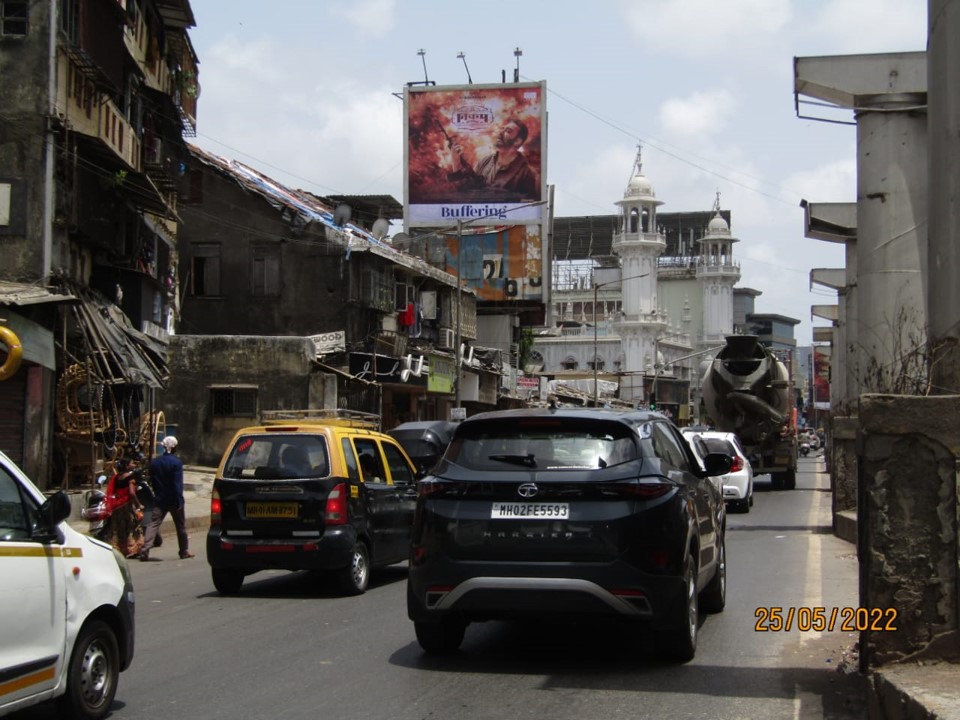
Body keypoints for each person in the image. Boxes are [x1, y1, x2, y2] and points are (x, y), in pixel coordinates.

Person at [446, 117, 539, 199]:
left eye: (508, 131)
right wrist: (456, 161)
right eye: (502, 129)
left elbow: (527, 208)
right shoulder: (485, 162)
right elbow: (465, 191)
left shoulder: (526, 173)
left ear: (517, 141)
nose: (500, 132)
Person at [140, 436, 194, 560]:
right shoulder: (176, 463)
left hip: (160, 499)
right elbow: (177, 484)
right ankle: (183, 551)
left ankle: (145, 549)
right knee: (180, 527)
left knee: (153, 524)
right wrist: (180, 501)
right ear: (174, 448)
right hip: (174, 500)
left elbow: (153, 481)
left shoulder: (155, 463)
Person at [104, 456, 145, 559]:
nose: (134, 465)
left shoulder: (117, 477)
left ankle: (118, 549)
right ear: (127, 466)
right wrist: (139, 504)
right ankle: (132, 549)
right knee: (133, 527)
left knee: (118, 528)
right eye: (132, 463)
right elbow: (131, 493)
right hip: (127, 506)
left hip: (117, 506)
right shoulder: (130, 478)